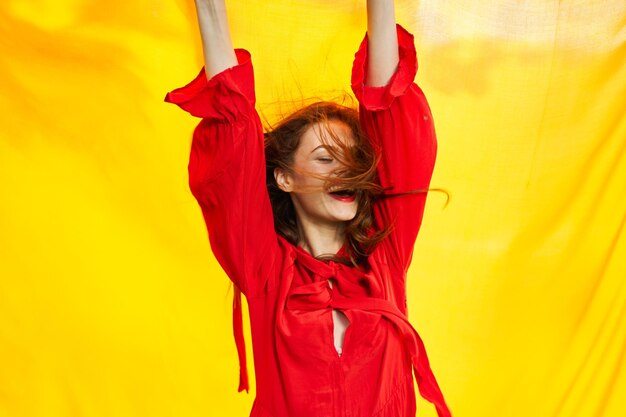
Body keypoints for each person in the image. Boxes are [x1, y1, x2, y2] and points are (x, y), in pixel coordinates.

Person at [164, 1, 451, 416]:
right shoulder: (266, 271)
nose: (345, 171)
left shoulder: (385, 256)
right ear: (285, 178)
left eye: (354, 159)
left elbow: (389, 106)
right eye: (324, 159)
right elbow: (232, 140)